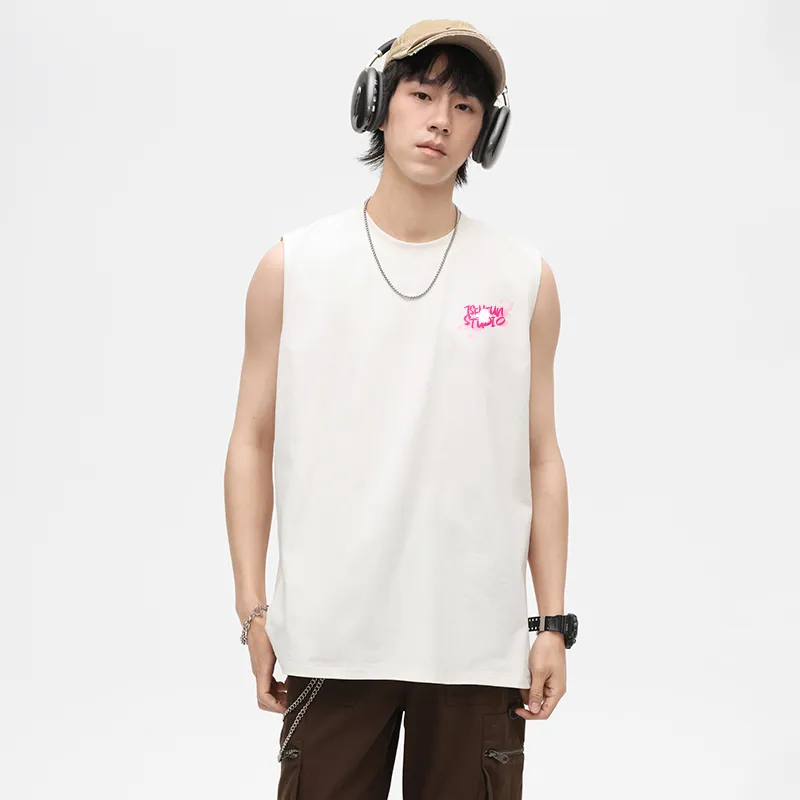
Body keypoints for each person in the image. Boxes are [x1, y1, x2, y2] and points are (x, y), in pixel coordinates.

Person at [224, 18, 576, 799]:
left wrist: (551, 624)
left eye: (465, 106)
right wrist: (253, 611)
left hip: (475, 646)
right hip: (333, 638)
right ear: (377, 104)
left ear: (486, 133)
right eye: (421, 94)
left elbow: (541, 455)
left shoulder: (523, 279)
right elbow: (251, 440)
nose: (440, 120)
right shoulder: (294, 267)